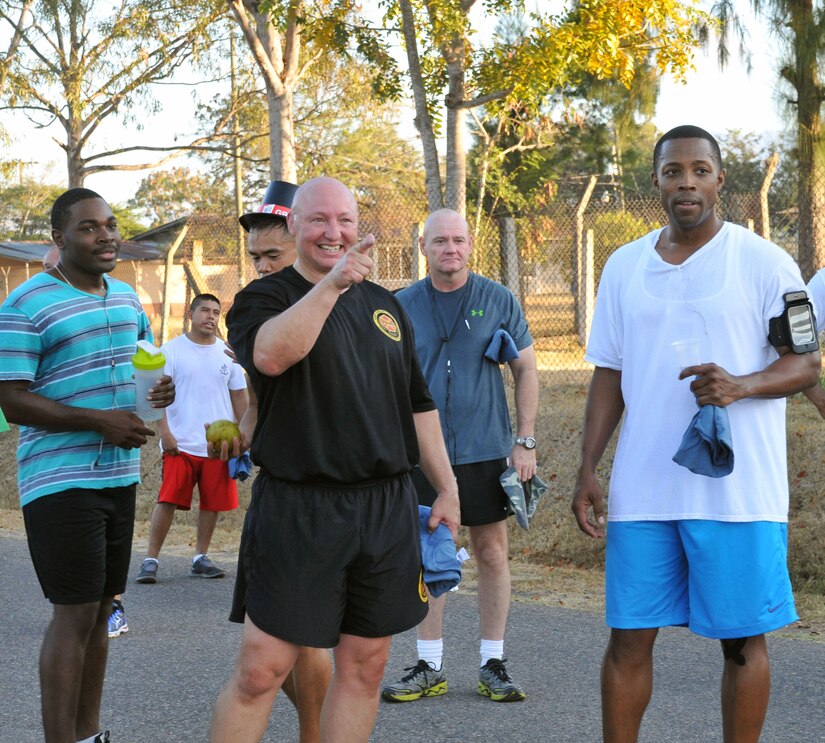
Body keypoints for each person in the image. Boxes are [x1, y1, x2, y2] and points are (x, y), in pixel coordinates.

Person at [571, 125, 820, 743]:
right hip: (644, 491)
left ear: (719, 179)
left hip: (737, 497)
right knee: (628, 640)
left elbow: (806, 363)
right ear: (653, 181)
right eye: (673, 171)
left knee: (741, 644)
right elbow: (610, 372)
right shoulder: (624, 265)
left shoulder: (765, 261)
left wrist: (741, 385)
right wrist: (587, 467)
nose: (687, 182)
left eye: (700, 170)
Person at [208, 176, 461, 743]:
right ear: (293, 225)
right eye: (318, 219)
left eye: (344, 221)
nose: (333, 232)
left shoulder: (384, 304)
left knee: (366, 666)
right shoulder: (264, 296)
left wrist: (446, 488)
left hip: (384, 507)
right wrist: (332, 286)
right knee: (261, 670)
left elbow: (418, 404)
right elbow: (272, 356)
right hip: (300, 507)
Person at [0, 188, 175, 743]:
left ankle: (89, 734)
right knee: (73, 615)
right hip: (59, 478)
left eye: (111, 224)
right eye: (88, 227)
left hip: (118, 475)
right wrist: (98, 420)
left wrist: (157, 388)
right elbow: (11, 399)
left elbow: (143, 361)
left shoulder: (126, 298)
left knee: (102, 610)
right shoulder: (25, 305)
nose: (106, 235)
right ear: (59, 239)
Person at [382, 208, 539, 703]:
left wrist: (525, 439)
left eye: (459, 240)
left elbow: (527, 369)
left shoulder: (498, 299)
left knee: (491, 552)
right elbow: (383, 378)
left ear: (470, 246)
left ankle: (494, 662)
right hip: (423, 454)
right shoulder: (400, 305)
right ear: (423, 247)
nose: (450, 248)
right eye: (440, 241)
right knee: (430, 556)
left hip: (485, 449)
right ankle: (430, 666)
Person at [223, 180, 334, 743]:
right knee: (277, 646)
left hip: (330, 490)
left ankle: (315, 733)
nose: (262, 267)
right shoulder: (261, 303)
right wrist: (245, 429)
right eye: (255, 258)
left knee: (303, 639)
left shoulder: (343, 299)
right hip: (281, 488)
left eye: (273, 255)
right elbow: (262, 390)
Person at [134, 293, 249, 584]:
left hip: (217, 446)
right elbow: (159, 394)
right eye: (205, 310)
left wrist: (243, 438)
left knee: (212, 503)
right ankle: (151, 559)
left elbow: (240, 398)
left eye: (215, 312)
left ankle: (200, 557)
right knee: (168, 500)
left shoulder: (227, 352)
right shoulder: (171, 350)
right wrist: (165, 433)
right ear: (190, 313)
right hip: (180, 443)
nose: (211, 316)